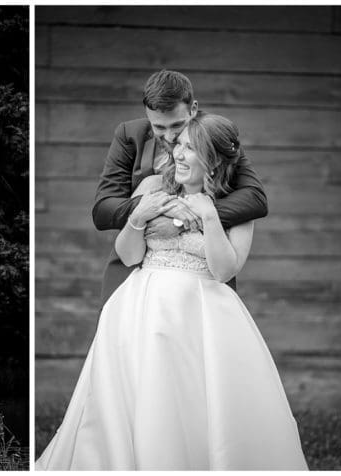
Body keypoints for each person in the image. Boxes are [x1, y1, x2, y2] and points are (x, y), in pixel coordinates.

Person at [36, 113, 307, 470]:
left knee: (198, 402)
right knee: (137, 401)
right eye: (178, 145)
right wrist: (138, 217)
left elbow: (225, 269)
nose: (177, 153)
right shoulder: (152, 186)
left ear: (211, 160)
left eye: (189, 148)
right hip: (138, 310)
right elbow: (130, 254)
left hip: (202, 315)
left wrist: (209, 217)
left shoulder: (238, 204)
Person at [92, 70, 267, 305]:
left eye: (177, 125)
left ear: (193, 109)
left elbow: (254, 198)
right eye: (159, 128)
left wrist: (183, 220)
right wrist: (161, 208)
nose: (171, 136)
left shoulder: (214, 136)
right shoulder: (129, 135)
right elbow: (104, 210)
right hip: (135, 272)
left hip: (202, 287)